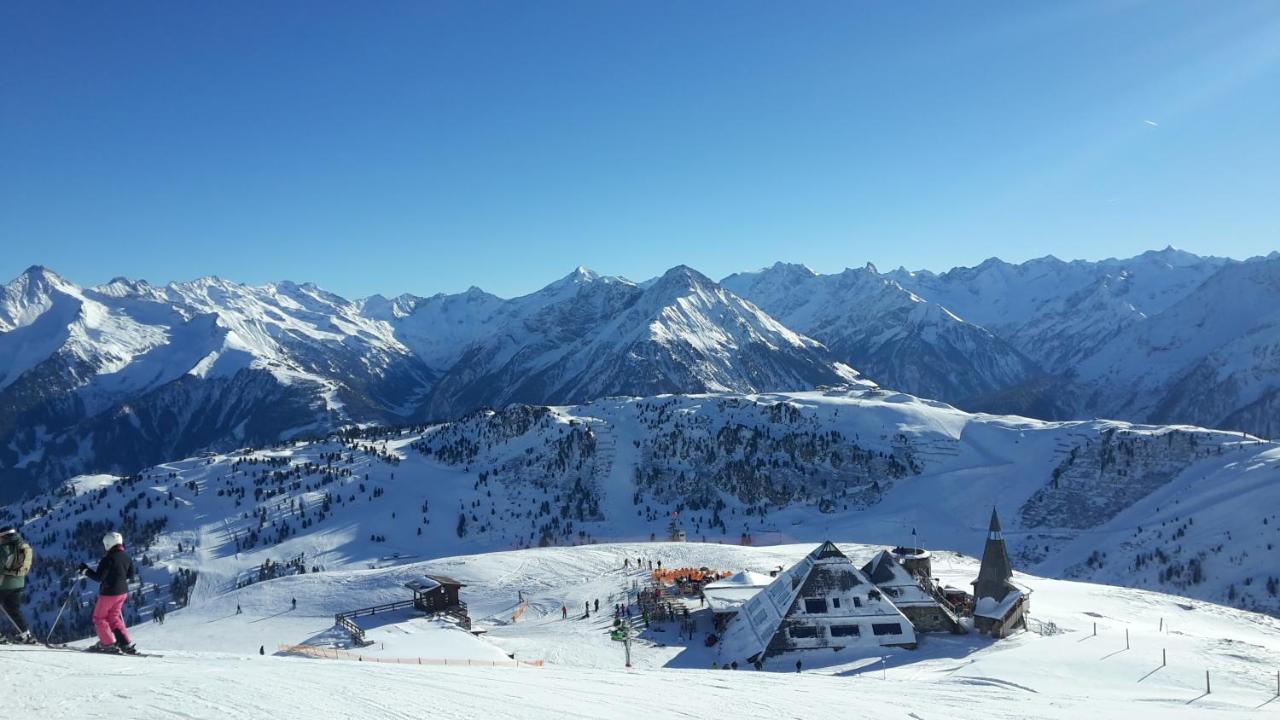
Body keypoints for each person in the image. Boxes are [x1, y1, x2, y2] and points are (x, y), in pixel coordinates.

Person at [79, 531, 136, 654]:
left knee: (99, 618)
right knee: (113, 617)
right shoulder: (126, 556)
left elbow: (99, 577)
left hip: (109, 593)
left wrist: (85, 571)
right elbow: (130, 575)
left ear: (108, 544)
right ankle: (125, 642)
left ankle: (108, 643)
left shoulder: (108, 559)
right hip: (122, 592)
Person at [0, 526, 35, 644]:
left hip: (3, 583)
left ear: (4, 536)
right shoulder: (23, 546)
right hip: (19, 582)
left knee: (11, 609)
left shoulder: (5, 548)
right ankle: (26, 635)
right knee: (13, 610)